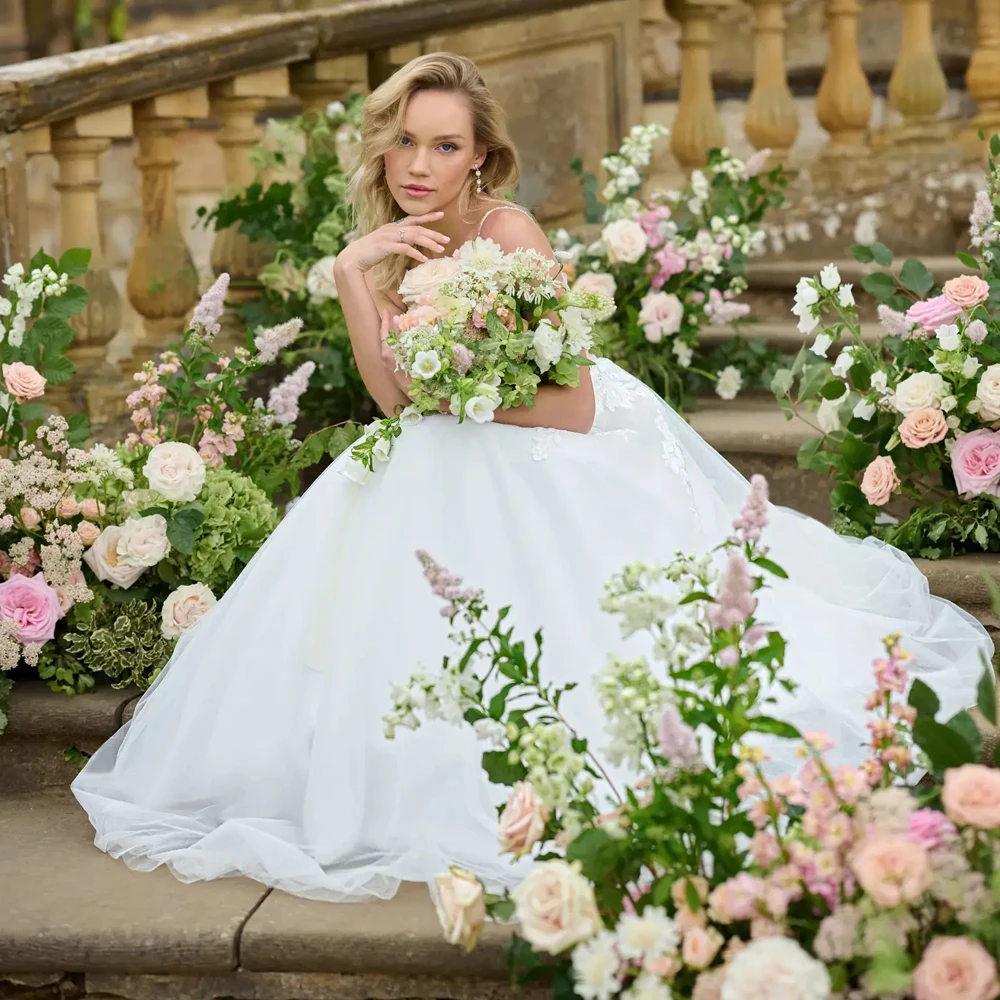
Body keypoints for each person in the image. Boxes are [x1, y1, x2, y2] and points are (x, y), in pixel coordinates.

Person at [73, 52, 991, 904]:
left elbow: (575, 405)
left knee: (467, 478)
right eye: (404, 141)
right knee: (400, 476)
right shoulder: (391, 243)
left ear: (480, 157)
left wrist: (457, 395)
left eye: (444, 145)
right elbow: (396, 404)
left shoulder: (507, 231)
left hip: (556, 445)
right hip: (445, 434)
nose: (418, 163)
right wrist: (356, 276)